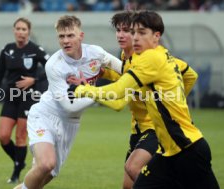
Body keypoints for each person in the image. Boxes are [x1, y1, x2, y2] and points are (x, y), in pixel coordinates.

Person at [69, 10, 219, 189]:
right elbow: (188, 75)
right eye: (131, 32)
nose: (133, 37)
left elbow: (118, 94)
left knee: (133, 170)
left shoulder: (149, 59)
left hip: (185, 146)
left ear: (156, 36)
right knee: (130, 185)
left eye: (140, 32)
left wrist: (81, 90)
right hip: (167, 150)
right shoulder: (148, 56)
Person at [14, 15, 123, 189]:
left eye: (70, 35)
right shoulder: (54, 65)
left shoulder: (95, 53)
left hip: (70, 124)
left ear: (81, 36)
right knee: (45, 164)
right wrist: (99, 93)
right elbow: (69, 106)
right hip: (45, 115)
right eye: (61, 36)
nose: (65, 40)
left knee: (46, 176)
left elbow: (122, 68)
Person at [0, 17, 50, 184]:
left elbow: (51, 68)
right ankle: (20, 161)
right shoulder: (7, 50)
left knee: (21, 136)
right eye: (18, 29)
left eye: (24, 29)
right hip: (10, 97)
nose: (21, 32)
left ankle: (16, 173)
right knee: (3, 136)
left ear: (29, 31)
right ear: (14, 30)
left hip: (28, 98)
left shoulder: (35, 50)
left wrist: (34, 80)